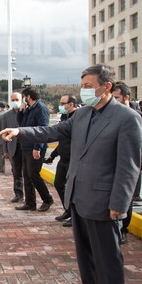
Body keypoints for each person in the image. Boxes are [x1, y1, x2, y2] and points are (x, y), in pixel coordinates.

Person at [0, 65, 142, 284]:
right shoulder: (82, 115)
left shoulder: (126, 118)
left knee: (107, 257)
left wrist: (120, 204)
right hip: (78, 198)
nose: (84, 90)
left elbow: (129, 166)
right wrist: (20, 132)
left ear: (107, 86)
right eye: (83, 85)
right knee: (85, 255)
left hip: (104, 202)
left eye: (89, 85)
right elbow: (51, 132)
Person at [110, 82, 142, 244]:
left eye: (116, 97)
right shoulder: (109, 115)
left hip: (128, 165)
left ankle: (123, 229)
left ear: (126, 97)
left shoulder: (138, 117)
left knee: (127, 198)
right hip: (110, 164)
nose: (113, 100)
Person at [15, 87, 54, 213]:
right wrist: (20, 112)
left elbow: (43, 130)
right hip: (26, 146)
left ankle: (47, 199)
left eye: (24, 97)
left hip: (35, 147)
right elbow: (22, 125)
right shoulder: (29, 109)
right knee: (26, 175)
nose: (23, 100)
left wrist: (38, 147)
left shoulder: (41, 109)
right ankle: (30, 203)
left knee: (33, 174)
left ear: (28, 97)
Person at [44, 94, 77, 224]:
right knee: (58, 183)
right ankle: (68, 210)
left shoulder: (77, 118)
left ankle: (75, 216)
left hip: (73, 160)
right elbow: (62, 141)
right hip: (63, 159)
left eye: (63, 103)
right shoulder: (64, 117)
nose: (61, 106)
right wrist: (53, 155)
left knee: (73, 189)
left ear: (72, 104)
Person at [0, 92, 25, 202]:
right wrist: (5, 150)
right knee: (16, 172)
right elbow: (3, 134)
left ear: (21, 100)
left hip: (25, 146)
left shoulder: (26, 113)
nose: (15, 102)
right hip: (13, 147)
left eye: (16, 99)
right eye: (12, 100)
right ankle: (18, 194)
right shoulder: (6, 116)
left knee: (28, 173)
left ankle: (29, 196)